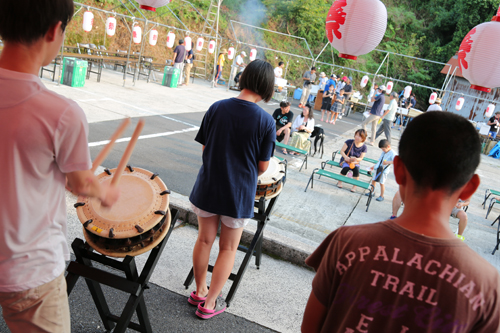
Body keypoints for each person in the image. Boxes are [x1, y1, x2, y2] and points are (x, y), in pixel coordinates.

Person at [302, 112, 500, 333]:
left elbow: (309, 328)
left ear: (397, 170)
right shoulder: (488, 285)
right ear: (470, 188)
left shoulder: (345, 242)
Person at [0, 1, 120, 331]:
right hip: (30, 272)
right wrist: (105, 191)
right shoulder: (61, 113)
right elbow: (81, 184)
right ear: (55, 30)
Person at [188, 60, 276, 319]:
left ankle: (199, 290)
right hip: (238, 193)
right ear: (267, 87)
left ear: (244, 78)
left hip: (208, 185)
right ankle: (210, 303)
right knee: (227, 248)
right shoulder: (266, 121)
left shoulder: (217, 108)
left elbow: (205, 150)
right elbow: (262, 166)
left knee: (203, 239)